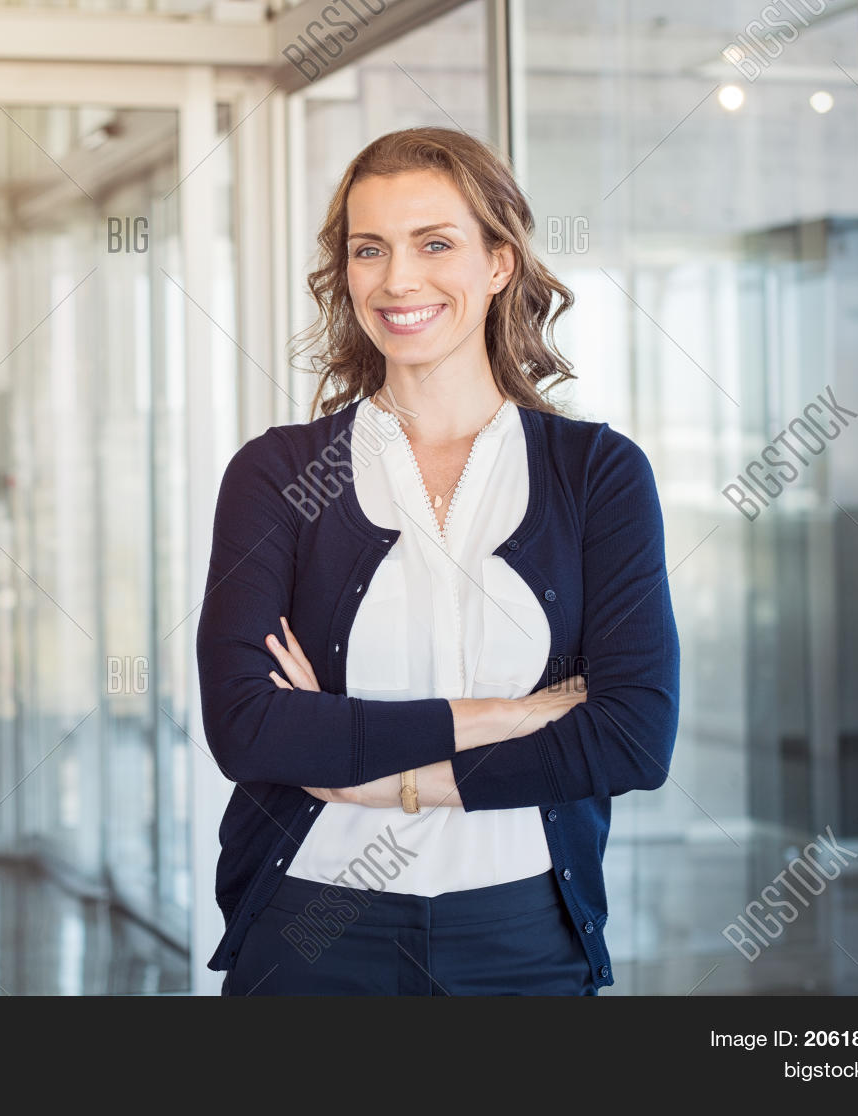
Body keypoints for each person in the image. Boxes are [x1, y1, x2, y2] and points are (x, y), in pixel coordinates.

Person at [196, 126, 680, 995]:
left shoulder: (597, 475)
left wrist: (391, 780)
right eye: (368, 249)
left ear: (500, 262)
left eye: (435, 244)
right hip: (310, 927)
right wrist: (511, 712)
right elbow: (249, 729)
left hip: (524, 934)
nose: (398, 280)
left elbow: (633, 737)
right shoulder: (279, 474)